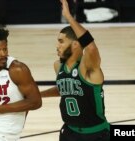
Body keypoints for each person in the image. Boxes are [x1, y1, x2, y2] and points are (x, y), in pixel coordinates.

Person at [41, 0, 110, 141]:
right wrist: (39, 94)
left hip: (95, 134)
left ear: (75, 44)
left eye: (61, 41)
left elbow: (91, 47)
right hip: (69, 132)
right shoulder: (58, 66)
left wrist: (69, 16)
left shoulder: (88, 68)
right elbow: (64, 89)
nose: (57, 46)